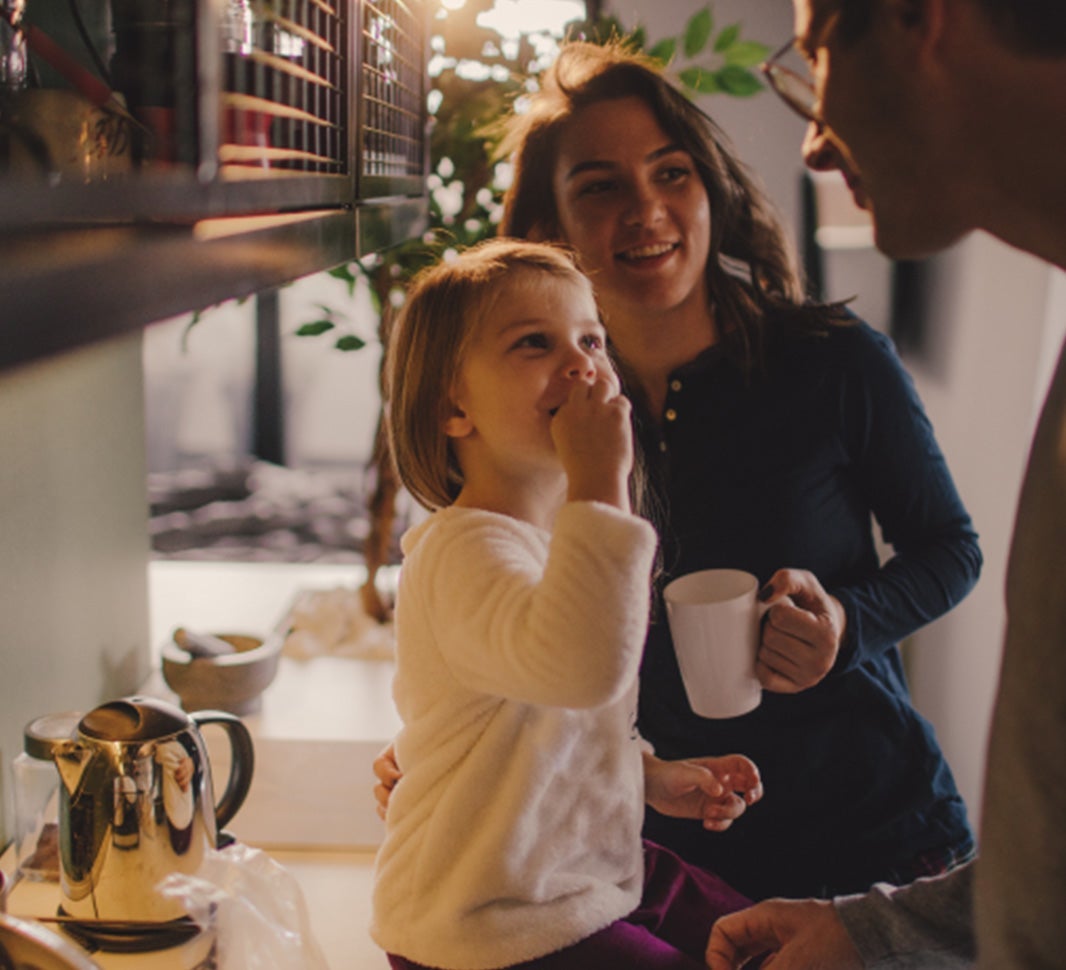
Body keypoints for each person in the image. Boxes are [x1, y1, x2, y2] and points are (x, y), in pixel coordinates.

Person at [375, 38, 983, 904]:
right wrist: (446, 755)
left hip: (874, 833)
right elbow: (512, 627)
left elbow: (951, 547)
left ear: (710, 190)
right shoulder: (538, 427)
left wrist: (848, 622)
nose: (646, 210)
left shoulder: (835, 363)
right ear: (549, 231)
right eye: (600, 186)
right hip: (661, 852)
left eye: (671, 173)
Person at [706, 0, 1066, 966]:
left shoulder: (830, 361)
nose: (814, 145)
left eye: (815, 58)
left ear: (923, 21)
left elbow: (950, 550)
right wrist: (876, 930)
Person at [370, 237, 764, 970]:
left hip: (577, 877)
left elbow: (559, 732)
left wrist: (651, 776)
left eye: (591, 338)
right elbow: (583, 670)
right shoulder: (464, 553)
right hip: (485, 922)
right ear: (453, 406)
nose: (582, 362)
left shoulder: (560, 543)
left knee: (765, 938)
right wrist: (600, 484)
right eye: (534, 344)